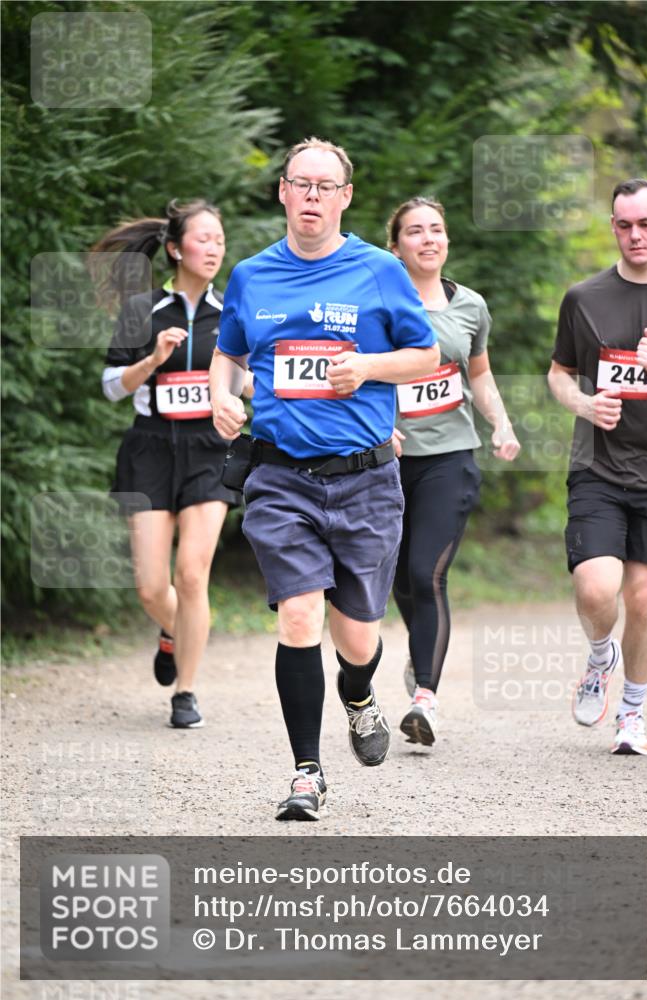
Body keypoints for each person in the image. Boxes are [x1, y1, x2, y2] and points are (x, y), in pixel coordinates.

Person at [210, 138, 439, 820]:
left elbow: (425, 354)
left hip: (365, 480)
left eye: (325, 186)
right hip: (281, 478)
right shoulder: (252, 275)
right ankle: (306, 773)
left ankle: (359, 693)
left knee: (357, 637)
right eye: (301, 184)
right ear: (282, 191)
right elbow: (228, 355)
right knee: (299, 615)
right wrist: (223, 396)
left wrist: (366, 367)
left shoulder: (379, 271)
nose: (311, 196)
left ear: (345, 197)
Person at [97, 199, 243, 729]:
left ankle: (186, 691)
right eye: (204, 239)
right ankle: (175, 630)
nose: (214, 248)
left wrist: (245, 391)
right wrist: (153, 359)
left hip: (210, 448)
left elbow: (248, 377)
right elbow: (111, 386)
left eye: (220, 240)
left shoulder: (232, 313)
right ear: (178, 249)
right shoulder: (143, 310)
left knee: (192, 574)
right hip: (150, 449)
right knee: (152, 587)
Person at [387, 197, 520, 746]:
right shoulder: (380, 303)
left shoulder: (471, 306)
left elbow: (479, 375)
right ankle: (424, 650)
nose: (428, 239)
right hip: (388, 461)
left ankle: (426, 698)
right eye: (415, 231)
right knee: (397, 578)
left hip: (450, 457)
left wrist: (501, 423)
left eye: (436, 229)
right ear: (396, 246)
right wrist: (377, 426)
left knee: (427, 574)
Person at [548, 178, 647, 755]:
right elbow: (559, 374)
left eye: (645, 223)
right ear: (613, 227)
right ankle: (600, 657)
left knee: (644, 599)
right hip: (598, 467)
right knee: (597, 589)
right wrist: (583, 404)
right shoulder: (584, 298)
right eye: (624, 225)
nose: (634, 235)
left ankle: (632, 713)